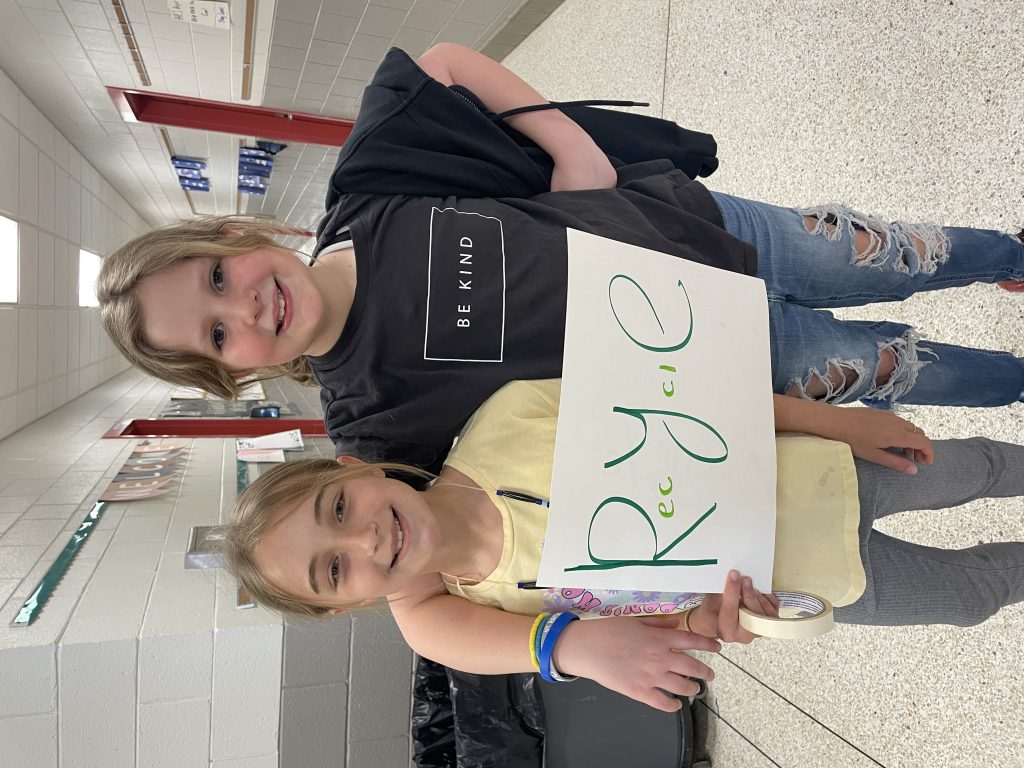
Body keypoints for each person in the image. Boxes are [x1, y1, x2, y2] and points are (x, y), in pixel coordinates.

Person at [97, 43, 1024, 474]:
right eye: (217, 335)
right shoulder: (370, 425)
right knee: (893, 370)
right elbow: (438, 560)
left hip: (707, 227)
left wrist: (571, 151)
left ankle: (1006, 256)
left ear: (235, 238)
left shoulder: (369, 193)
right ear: (231, 375)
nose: (246, 308)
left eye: (217, 280)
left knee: (895, 256)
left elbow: (445, 63)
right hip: (724, 364)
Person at [225, 379, 1024, 712]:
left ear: (354, 468)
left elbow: (699, 402)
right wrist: (701, 625)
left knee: (979, 467)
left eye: (340, 507)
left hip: (821, 469)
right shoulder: (453, 615)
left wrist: (838, 419)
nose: (366, 537)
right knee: (969, 597)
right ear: (342, 607)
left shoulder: (507, 416)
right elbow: (616, 637)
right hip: (806, 577)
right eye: (335, 568)